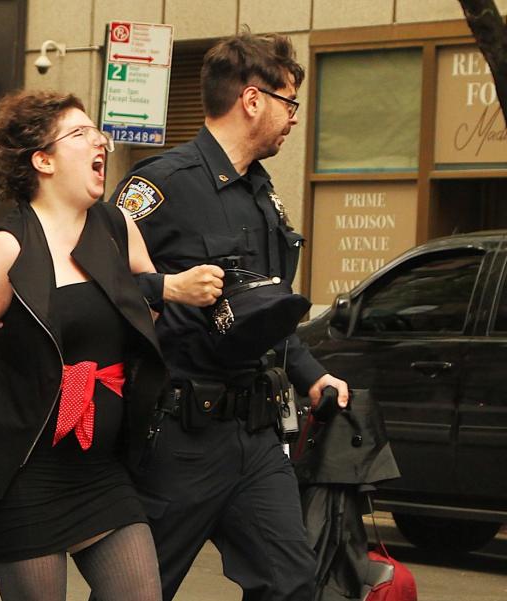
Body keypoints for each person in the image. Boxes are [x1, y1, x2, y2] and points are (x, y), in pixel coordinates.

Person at [0, 90, 219, 601]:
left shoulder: (117, 226)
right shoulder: (9, 247)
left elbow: (145, 313)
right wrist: (10, 350)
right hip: (24, 471)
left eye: (98, 131)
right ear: (42, 160)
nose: (100, 142)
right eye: (81, 133)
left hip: (99, 467)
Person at [108, 32, 349, 601]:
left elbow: (269, 313)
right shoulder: (159, 185)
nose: (294, 119)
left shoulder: (264, 195)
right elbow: (97, 284)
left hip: (256, 433)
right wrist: (168, 286)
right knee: (136, 591)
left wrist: (312, 374)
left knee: (292, 584)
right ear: (252, 99)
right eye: (289, 103)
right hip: (179, 435)